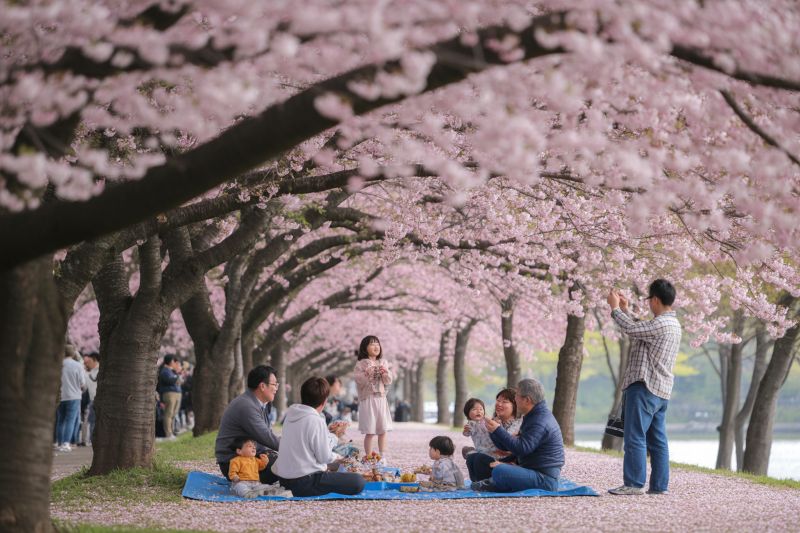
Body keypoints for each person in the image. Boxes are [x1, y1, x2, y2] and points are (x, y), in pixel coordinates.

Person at [606, 279, 682, 496]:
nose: (649, 304)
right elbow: (641, 329)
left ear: (655, 300)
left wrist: (613, 309)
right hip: (661, 390)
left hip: (644, 386)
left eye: (650, 299)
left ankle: (634, 483)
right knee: (658, 441)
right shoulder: (672, 324)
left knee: (635, 436)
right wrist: (625, 309)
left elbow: (631, 329)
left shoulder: (660, 324)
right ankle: (659, 486)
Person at [272, 377, 366, 497]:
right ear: (324, 401)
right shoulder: (315, 420)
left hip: (284, 480)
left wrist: (329, 434)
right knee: (358, 481)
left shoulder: (291, 415)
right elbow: (324, 457)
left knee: (339, 467)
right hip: (304, 482)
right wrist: (335, 437)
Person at [470, 378, 564, 492]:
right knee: (476, 459)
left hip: (544, 478)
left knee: (500, 471)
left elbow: (522, 448)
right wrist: (494, 431)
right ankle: (490, 482)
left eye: (517, 396)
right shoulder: (533, 415)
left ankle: (493, 483)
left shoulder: (539, 420)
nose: (515, 398)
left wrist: (498, 430)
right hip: (528, 469)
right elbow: (508, 446)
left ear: (527, 400)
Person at [215, 365, 282, 485]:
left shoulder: (259, 404)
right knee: (287, 464)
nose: (277, 388)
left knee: (286, 462)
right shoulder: (246, 406)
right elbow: (266, 437)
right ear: (262, 386)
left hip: (249, 458)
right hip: (236, 464)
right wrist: (295, 449)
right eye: (274, 384)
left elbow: (268, 437)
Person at [464, 388, 521, 479]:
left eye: (504, 402)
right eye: (498, 401)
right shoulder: (493, 420)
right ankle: (478, 483)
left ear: (515, 405)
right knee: (472, 458)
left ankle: (488, 482)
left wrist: (497, 428)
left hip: (510, 460)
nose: (499, 404)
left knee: (479, 458)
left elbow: (509, 444)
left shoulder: (519, 423)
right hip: (493, 455)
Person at [353, 335, 393, 460]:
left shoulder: (383, 362)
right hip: (368, 399)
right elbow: (359, 381)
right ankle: (369, 457)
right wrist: (368, 374)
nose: (376, 346)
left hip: (381, 398)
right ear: (365, 348)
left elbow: (388, 381)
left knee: (383, 430)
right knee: (370, 431)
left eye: (377, 344)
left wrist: (385, 373)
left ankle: (383, 456)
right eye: (372, 344)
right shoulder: (361, 364)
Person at [55, 345, 86, 452]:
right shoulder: (77, 365)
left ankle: (59, 443)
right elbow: (82, 383)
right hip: (74, 396)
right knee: (70, 420)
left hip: (60, 396)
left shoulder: (58, 365)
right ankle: (66, 443)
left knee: (60, 420)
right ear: (73, 353)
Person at [157, 354, 183, 440]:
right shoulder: (165, 370)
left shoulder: (171, 371)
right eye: (173, 361)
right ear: (170, 361)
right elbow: (170, 380)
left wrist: (177, 375)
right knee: (169, 414)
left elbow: (180, 381)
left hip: (176, 393)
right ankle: (168, 433)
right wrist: (177, 375)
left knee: (173, 414)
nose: (175, 363)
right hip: (169, 394)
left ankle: (171, 432)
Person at [80, 352, 99, 446]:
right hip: (92, 400)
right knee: (92, 422)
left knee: (93, 422)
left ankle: (93, 440)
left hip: (97, 400)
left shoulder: (99, 371)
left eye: (89, 361)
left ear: (95, 360)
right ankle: (92, 440)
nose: (87, 363)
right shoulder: (89, 373)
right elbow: (84, 388)